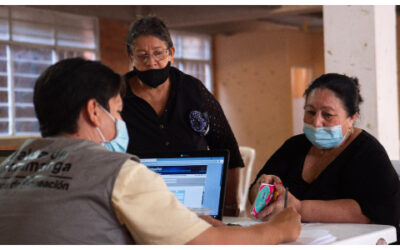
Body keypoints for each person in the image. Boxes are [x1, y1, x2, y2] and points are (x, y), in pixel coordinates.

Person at [0, 58, 301, 244]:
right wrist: (278, 231)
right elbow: (205, 243)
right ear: (94, 111)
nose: (121, 123)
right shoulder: (118, 172)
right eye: (118, 113)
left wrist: (179, 223)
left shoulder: (9, 167)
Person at [249, 73, 400, 237]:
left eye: (327, 115)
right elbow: (253, 192)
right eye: (310, 112)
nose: (316, 122)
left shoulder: (369, 153)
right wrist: (262, 191)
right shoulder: (293, 146)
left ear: (351, 118)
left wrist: (299, 207)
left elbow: (374, 211)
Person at [121, 17, 244, 216]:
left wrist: (230, 207)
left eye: (158, 53)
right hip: (138, 206)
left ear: (172, 53)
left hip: (197, 204)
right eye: (142, 55)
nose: (151, 62)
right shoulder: (117, 96)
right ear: (131, 57)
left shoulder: (193, 90)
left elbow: (228, 148)